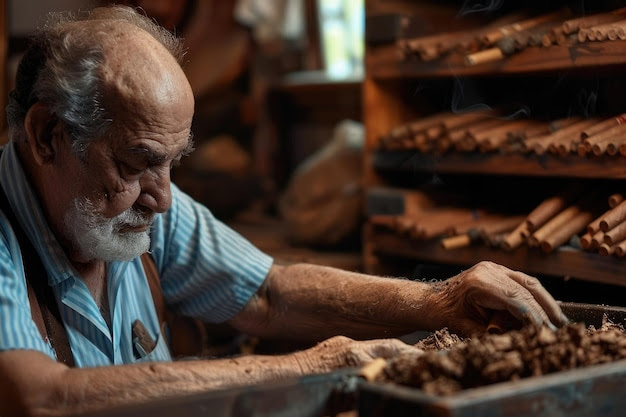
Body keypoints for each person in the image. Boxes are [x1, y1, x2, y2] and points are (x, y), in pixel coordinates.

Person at [0, 5, 568, 416]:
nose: (164, 198)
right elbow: (39, 398)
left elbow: (270, 293)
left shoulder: (141, 208)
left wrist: (437, 301)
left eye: (173, 163)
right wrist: (307, 367)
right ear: (49, 135)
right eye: (136, 163)